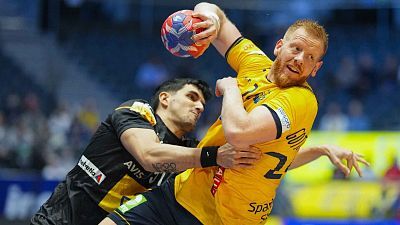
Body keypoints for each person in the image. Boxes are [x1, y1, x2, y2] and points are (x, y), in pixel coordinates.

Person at [100, 3, 369, 224]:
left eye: (310, 57)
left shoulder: (301, 100)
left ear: (316, 68)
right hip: (182, 192)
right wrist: (212, 22)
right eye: (296, 48)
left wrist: (230, 87)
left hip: (224, 218)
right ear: (279, 47)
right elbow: (211, 8)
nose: (300, 58)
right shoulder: (254, 63)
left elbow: (239, 133)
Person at [30, 78, 262, 225]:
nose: (199, 106)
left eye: (202, 103)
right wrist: (214, 156)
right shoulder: (138, 112)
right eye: (192, 97)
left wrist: (296, 153)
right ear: (165, 98)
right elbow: (149, 156)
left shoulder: (189, 150)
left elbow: (251, 156)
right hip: (60, 219)